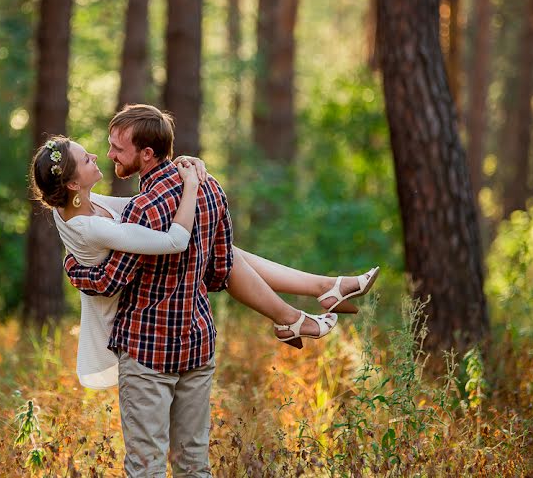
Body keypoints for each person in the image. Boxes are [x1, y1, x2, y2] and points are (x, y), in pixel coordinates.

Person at [29, 104, 379, 476]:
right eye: (90, 157)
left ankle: (304, 305)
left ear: (146, 154)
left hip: (147, 350)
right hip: (196, 342)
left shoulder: (134, 210)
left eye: (116, 147)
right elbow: (220, 265)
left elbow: (113, 278)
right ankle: (319, 292)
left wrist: (75, 270)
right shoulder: (207, 188)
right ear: (72, 184)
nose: (105, 154)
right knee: (194, 465)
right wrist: (191, 181)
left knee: (145, 468)